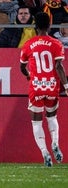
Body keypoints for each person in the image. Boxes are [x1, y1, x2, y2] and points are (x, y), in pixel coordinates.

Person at [20, 12, 68, 167]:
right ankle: (55, 143)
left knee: (36, 123)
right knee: (52, 118)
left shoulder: (28, 44)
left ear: (35, 26)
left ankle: (45, 152)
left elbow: (22, 67)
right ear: (49, 26)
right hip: (52, 86)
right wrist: (66, 86)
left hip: (36, 86)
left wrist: (28, 75)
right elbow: (59, 66)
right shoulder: (57, 44)